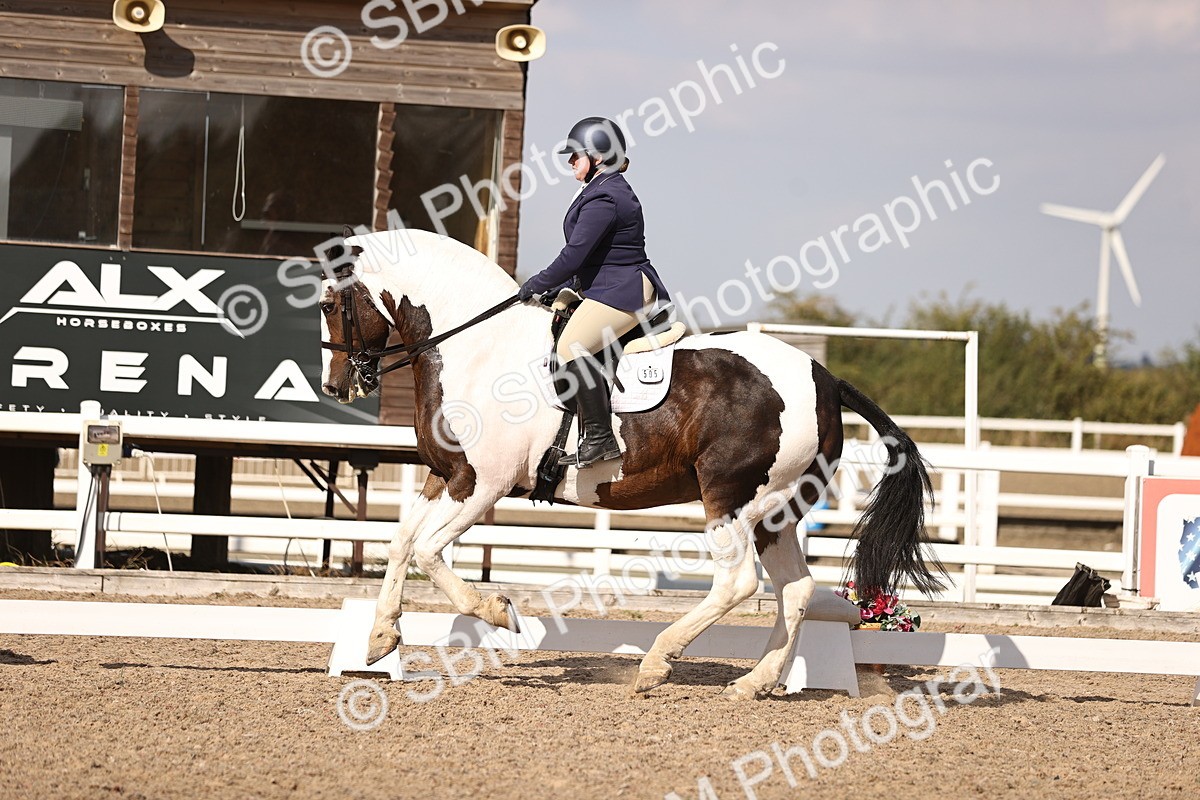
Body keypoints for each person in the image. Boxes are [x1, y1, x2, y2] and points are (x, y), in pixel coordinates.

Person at [518, 117, 670, 467]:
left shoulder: (606, 195)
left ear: (597, 157)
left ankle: (600, 439)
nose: (570, 161)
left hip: (622, 290)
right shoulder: (601, 188)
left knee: (572, 346)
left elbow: (575, 254)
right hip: (606, 284)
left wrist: (536, 283)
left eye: (576, 155)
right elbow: (592, 257)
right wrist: (559, 288)